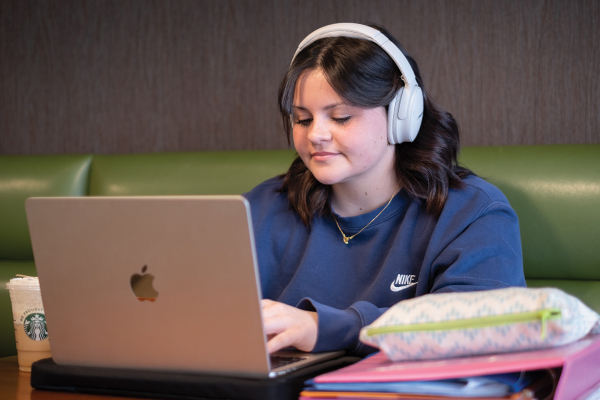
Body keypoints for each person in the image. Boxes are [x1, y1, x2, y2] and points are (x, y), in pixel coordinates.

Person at [244, 23, 526, 357]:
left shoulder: (472, 213)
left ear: (402, 115)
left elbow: (479, 325)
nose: (315, 135)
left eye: (341, 117)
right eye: (302, 120)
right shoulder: (259, 208)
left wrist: (324, 328)